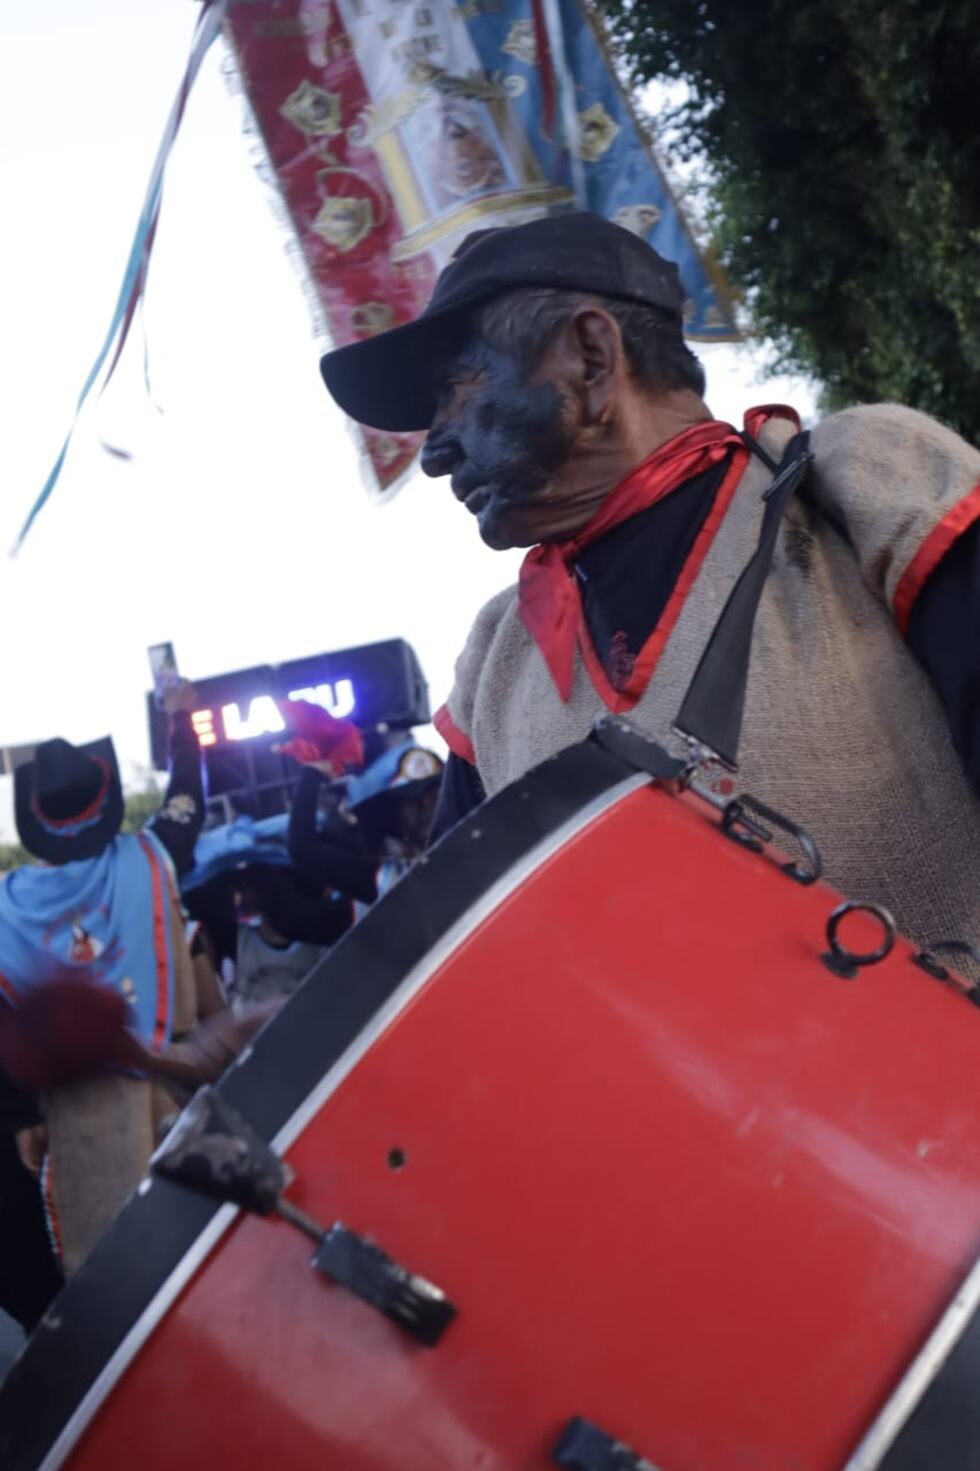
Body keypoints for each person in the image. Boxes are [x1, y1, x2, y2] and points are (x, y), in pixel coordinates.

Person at [319, 211, 980, 955]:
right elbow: (451, 953)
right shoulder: (494, 667)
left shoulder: (868, 481)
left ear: (592, 358)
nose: (433, 451)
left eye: (455, 386)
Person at [0, 697, 262, 1278]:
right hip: (179, 1077)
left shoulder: (5, 906)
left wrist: (20, 1118)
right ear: (105, 797)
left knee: (115, 1265)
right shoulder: (153, 854)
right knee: (221, 1243)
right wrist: (181, 731)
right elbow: (186, 801)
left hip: (73, 1110)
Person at [288, 739, 444, 910]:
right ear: (388, 818)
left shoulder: (474, 828)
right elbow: (304, 849)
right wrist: (312, 774)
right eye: (416, 801)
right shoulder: (395, 880)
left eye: (437, 791)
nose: (431, 804)